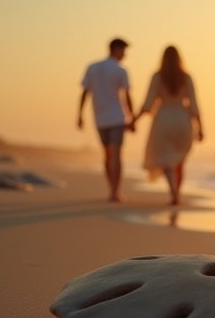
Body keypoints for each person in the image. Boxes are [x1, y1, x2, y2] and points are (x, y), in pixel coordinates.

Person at [132, 45, 203, 205]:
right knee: (178, 160)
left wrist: (134, 120)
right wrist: (200, 127)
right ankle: (177, 192)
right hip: (183, 120)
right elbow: (194, 104)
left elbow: (148, 103)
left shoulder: (157, 77)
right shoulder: (186, 77)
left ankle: (173, 193)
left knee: (166, 159)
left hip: (163, 120)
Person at [77, 37, 135, 202]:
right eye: (124, 50)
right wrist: (131, 118)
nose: (125, 54)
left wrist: (80, 115)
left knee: (107, 155)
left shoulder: (92, 67)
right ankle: (115, 191)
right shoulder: (120, 70)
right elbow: (126, 96)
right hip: (117, 117)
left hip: (100, 117)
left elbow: (85, 93)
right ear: (115, 49)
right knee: (116, 155)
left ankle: (112, 189)